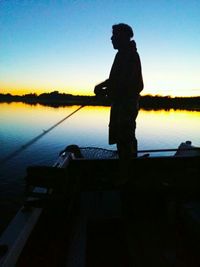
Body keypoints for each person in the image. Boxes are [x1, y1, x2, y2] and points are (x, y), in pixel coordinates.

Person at [94, 23, 143, 162]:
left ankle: (127, 174)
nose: (111, 38)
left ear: (124, 36)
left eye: (114, 35)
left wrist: (106, 90)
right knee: (122, 138)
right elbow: (115, 79)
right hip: (120, 103)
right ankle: (128, 169)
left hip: (126, 104)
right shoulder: (122, 54)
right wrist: (101, 86)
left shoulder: (131, 55)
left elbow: (128, 83)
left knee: (125, 138)